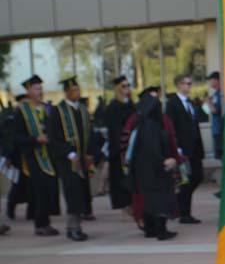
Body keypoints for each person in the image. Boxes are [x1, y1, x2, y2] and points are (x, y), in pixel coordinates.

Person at [48, 76, 95, 241]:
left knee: (82, 192)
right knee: (72, 193)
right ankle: (73, 227)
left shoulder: (82, 109)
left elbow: (90, 133)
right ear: (66, 92)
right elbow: (54, 138)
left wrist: (89, 153)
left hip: (82, 159)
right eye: (74, 90)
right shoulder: (58, 111)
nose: (78, 92)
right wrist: (71, 154)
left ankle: (76, 227)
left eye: (78, 89)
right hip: (67, 161)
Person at [129, 92, 180, 240]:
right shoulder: (151, 125)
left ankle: (150, 229)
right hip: (155, 169)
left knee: (150, 199)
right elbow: (152, 148)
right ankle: (161, 230)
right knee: (159, 199)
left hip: (145, 169)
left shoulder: (142, 123)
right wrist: (163, 161)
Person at [14, 76, 60, 236]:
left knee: (49, 189)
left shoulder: (48, 109)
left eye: (40, 89)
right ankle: (40, 224)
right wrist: (35, 139)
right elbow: (17, 137)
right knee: (39, 190)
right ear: (28, 91)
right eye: (36, 89)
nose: (39, 92)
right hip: (33, 155)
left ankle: (47, 221)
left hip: (49, 154)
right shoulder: (22, 111)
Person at [166, 74, 205, 224]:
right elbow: (171, 127)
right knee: (186, 180)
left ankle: (180, 205)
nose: (188, 86)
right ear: (178, 85)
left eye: (190, 83)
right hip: (183, 148)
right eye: (186, 83)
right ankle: (184, 213)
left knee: (197, 176)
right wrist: (177, 148)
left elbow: (197, 121)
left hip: (194, 147)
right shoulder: (173, 103)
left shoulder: (190, 102)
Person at [104, 75, 136, 214]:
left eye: (128, 85)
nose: (127, 88)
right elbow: (115, 129)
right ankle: (125, 205)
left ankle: (133, 203)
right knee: (120, 177)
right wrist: (124, 143)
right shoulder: (114, 106)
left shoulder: (132, 104)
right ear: (118, 88)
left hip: (132, 145)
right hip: (120, 147)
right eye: (123, 86)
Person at [3, 94, 33, 221]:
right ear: (19, 104)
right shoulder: (11, 119)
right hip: (17, 157)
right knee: (18, 185)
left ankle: (32, 212)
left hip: (31, 155)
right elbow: (8, 140)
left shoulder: (31, 117)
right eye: (24, 103)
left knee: (34, 185)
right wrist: (8, 157)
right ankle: (11, 207)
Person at [205, 71, 223, 159]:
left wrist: (209, 102)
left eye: (211, 80)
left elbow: (215, 111)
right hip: (216, 128)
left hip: (220, 129)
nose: (210, 83)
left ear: (217, 80)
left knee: (221, 154)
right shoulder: (216, 94)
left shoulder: (221, 94)